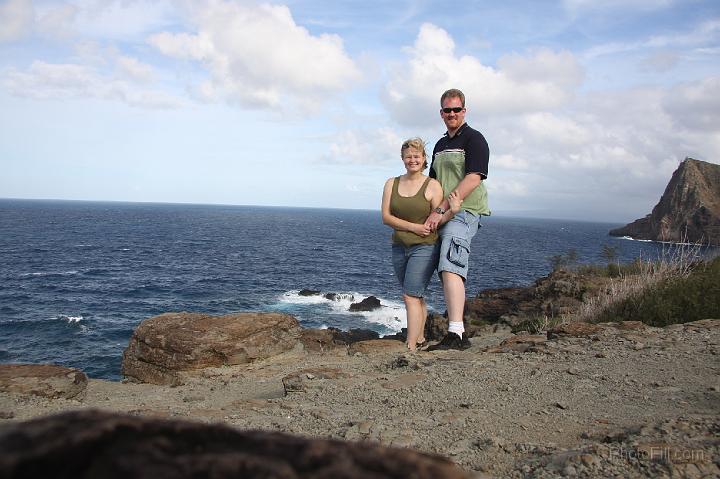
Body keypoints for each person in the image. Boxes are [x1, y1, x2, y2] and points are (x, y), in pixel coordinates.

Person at [424, 88, 490, 351]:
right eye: (447, 110)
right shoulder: (440, 145)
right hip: (443, 212)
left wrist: (440, 211)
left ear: (464, 111)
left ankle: (456, 334)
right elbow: (432, 182)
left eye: (456, 109)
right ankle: (458, 329)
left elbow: (474, 177)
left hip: (464, 211)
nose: (452, 114)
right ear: (441, 113)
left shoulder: (475, 139)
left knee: (451, 263)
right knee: (447, 267)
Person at [381, 138, 462, 351]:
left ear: (424, 159)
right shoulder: (392, 183)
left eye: (416, 156)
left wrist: (452, 211)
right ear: (402, 159)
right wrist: (414, 227)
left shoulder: (432, 186)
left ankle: (410, 347)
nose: (412, 160)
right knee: (415, 295)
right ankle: (419, 338)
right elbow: (386, 217)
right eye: (408, 156)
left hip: (425, 247)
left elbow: (437, 220)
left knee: (410, 296)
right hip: (399, 246)